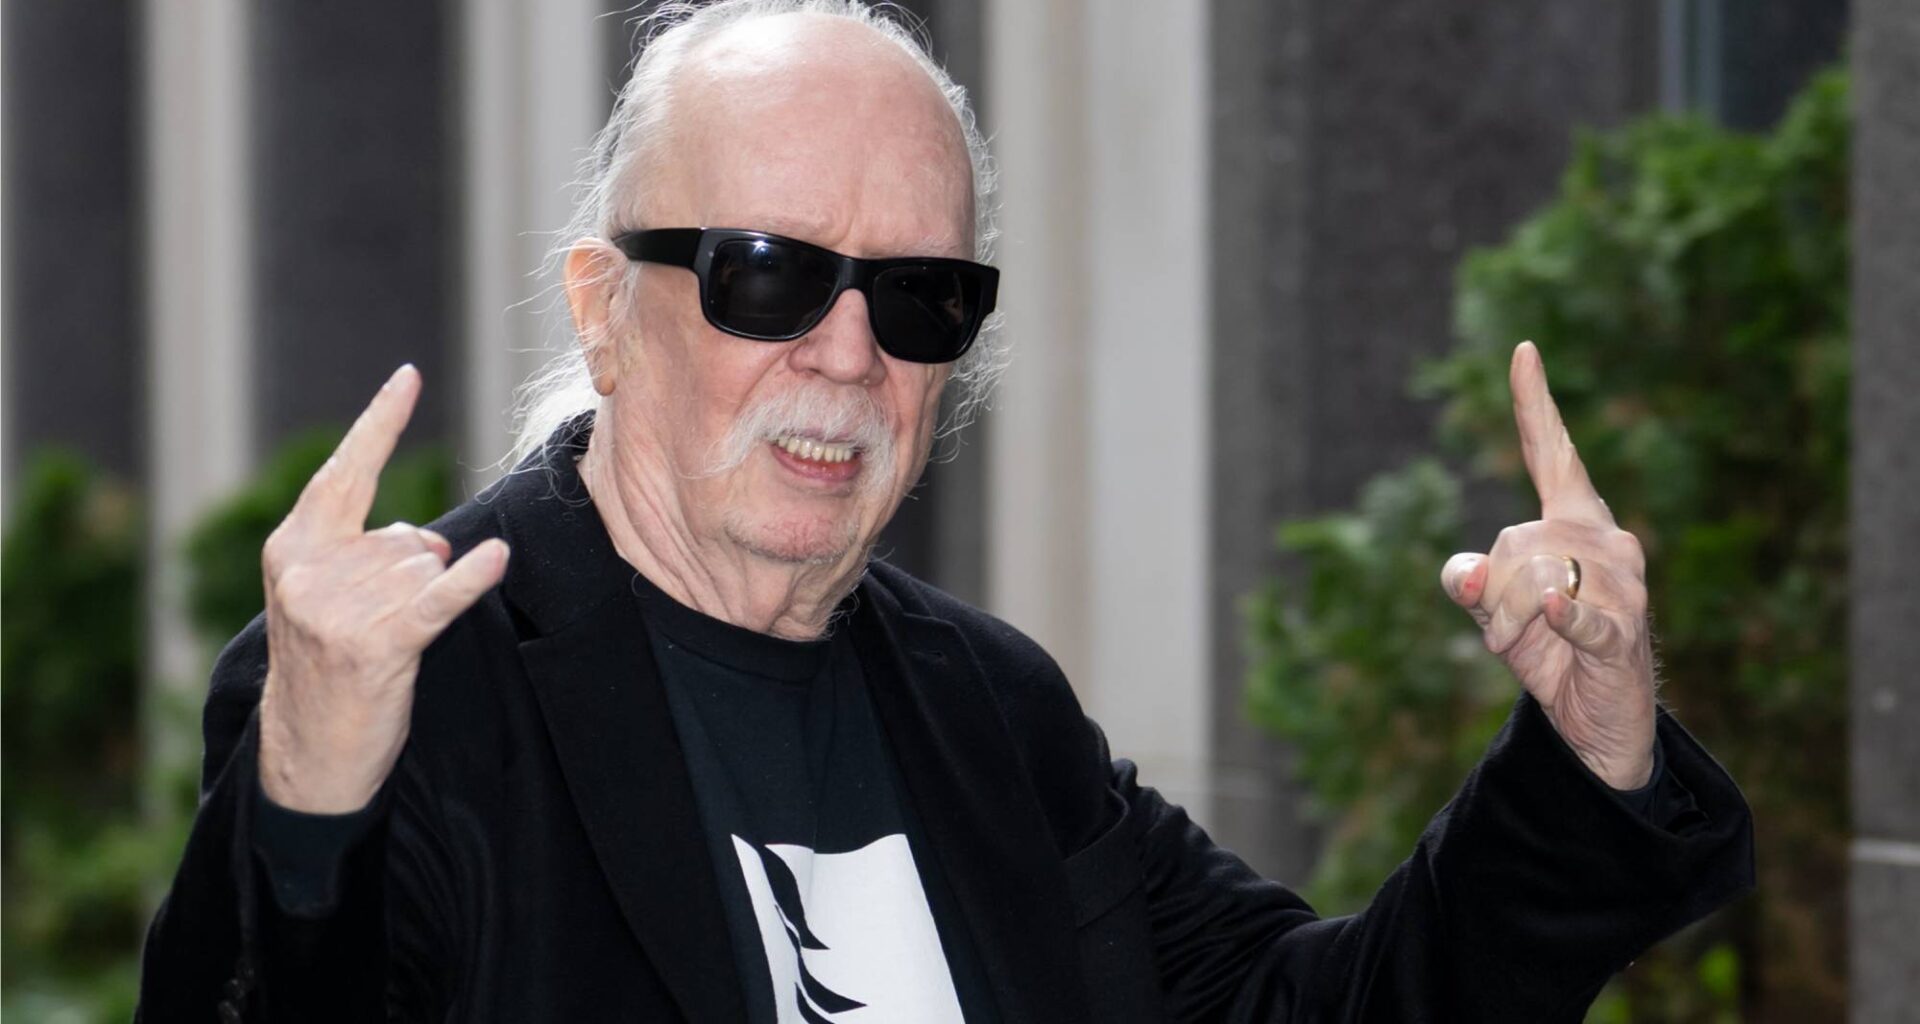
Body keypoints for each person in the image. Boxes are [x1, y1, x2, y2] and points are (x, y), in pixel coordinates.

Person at [136, 2, 1753, 1020]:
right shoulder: (401, 690)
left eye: (917, 295)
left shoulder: (986, 707)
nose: (849, 353)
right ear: (604, 310)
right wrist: (312, 811)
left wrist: (1586, 753)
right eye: (768, 274)